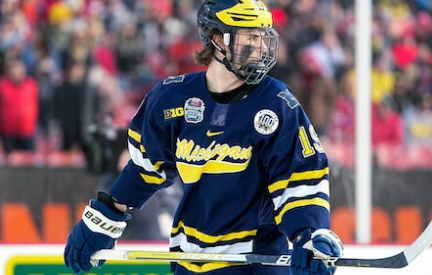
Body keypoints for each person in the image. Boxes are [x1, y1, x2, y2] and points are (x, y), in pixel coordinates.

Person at [64, 1, 344, 275]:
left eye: (263, 36)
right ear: (218, 40)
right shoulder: (171, 98)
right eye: (250, 37)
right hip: (188, 261)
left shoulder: (278, 103)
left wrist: (309, 234)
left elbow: (299, 181)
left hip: (254, 265)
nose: (260, 46)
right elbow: (146, 169)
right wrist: (105, 216)